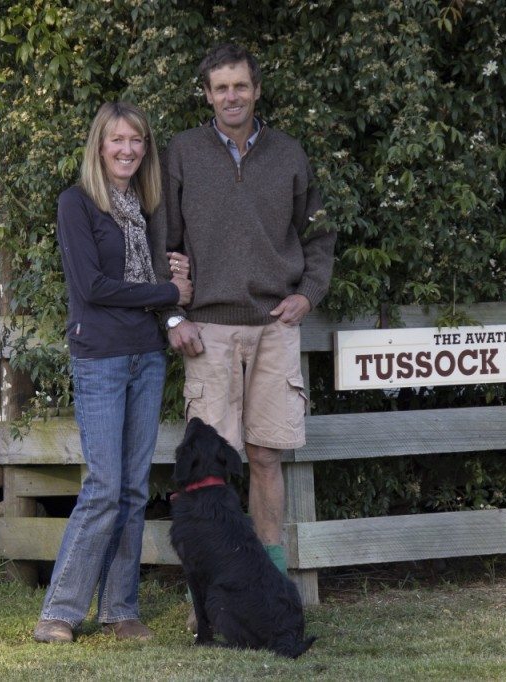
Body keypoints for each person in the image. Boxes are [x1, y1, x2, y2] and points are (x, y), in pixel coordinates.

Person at [152, 44, 337, 579]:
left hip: (274, 326)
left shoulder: (289, 154)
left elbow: (319, 233)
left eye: (240, 86)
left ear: (256, 90)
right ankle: (213, 589)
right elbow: (163, 241)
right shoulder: (183, 152)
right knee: (209, 470)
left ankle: (270, 582)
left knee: (266, 457)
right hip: (207, 330)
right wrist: (172, 316)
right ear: (207, 95)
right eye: (221, 88)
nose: (231, 96)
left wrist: (309, 293)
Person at [33, 102, 192, 644]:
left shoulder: (145, 209)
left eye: (137, 141)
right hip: (99, 356)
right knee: (103, 486)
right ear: (99, 146)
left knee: (133, 489)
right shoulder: (77, 203)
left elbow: (162, 274)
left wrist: (172, 289)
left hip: (146, 354)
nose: (128, 150)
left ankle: (121, 610)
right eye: (117, 140)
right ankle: (59, 612)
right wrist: (167, 293)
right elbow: (92, 287)